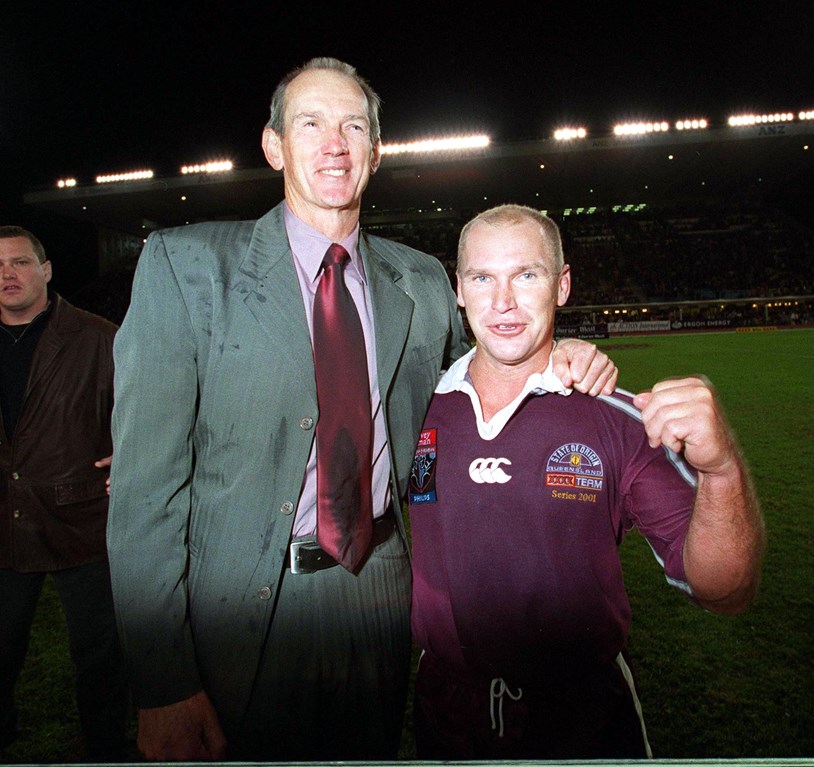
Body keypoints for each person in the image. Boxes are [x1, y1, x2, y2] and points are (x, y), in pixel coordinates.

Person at [106, 58, 616, 762]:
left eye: (353, 126)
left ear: (375, 151)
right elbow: (144, 498)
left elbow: (472, 391)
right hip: (239, 605)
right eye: (310, 123)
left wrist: (563, 353)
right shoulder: (186, 267)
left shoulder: (423, 279)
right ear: (274, 145)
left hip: (379, 588)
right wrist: (162, 681)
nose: (334, 143)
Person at [408, 204, 766, 759]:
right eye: (483, 278)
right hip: (445, 719)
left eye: (527, 275)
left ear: (563, 285)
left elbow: (724, 589)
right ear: (459, 289)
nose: (503, 301)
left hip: (582, 722)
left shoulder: (618, 418)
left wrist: (721, 471)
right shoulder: (412, 410)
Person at [0, 226, 129, 760]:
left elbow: (143, 409)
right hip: (4, 521)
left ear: (46, 270)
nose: (8, 274)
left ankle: (105, 745)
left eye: (20, 262)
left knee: (99, 651)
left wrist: (130, 454)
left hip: (82, 517)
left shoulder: (98, 336)